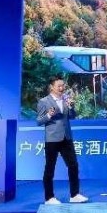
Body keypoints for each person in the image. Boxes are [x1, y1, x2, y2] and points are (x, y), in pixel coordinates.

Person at [36, 76, 88, 204]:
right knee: (50, 168)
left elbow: (72, 116)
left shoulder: (66, 100)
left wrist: (71, 107)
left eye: (63, 85)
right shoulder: (44, 101)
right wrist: (49, 115)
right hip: (52, 139)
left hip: (66, 137)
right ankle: (49, 197)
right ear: (51, 87)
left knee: (73, 165)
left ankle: (74, 195)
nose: (61, 88)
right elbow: (39, 121)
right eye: (58, 86)